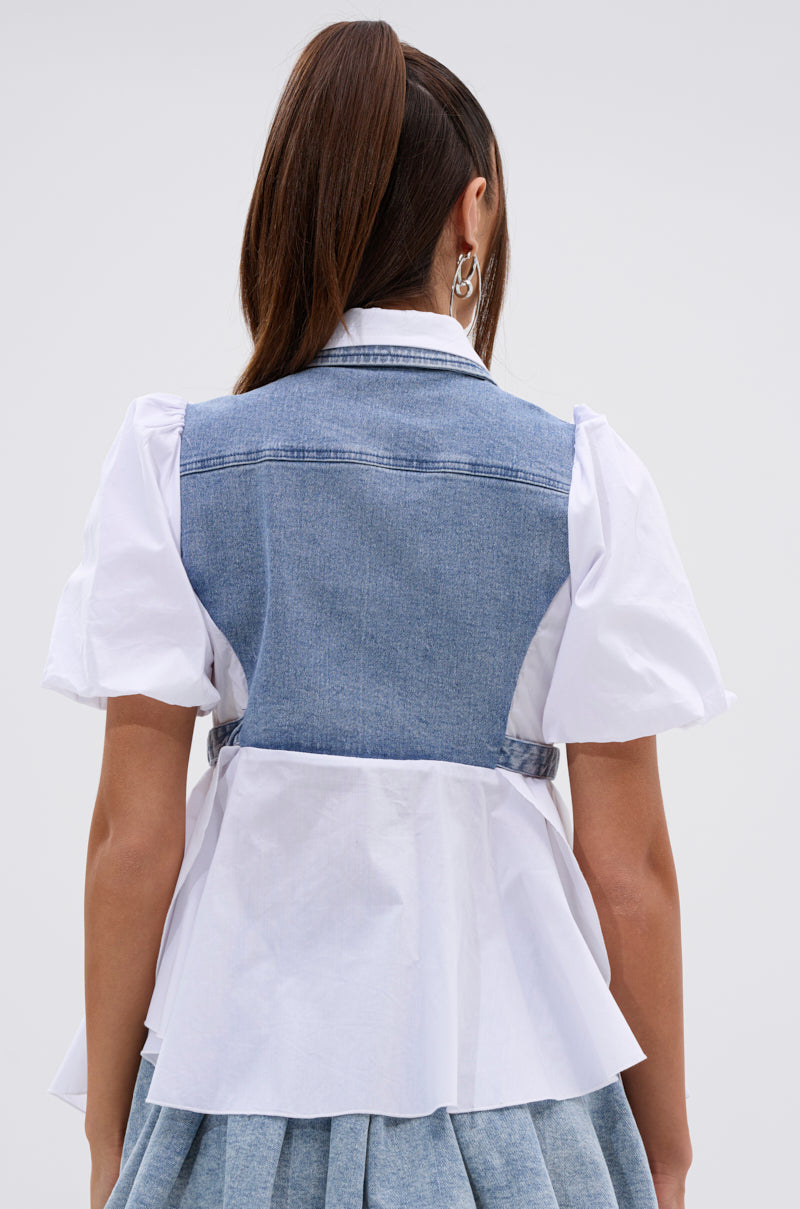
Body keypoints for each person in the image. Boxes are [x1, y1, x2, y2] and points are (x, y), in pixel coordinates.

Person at [40, 18, 736, 1209]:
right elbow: (630, 868)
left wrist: (108, 1137)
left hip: (230, 1089)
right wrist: (665, 1151)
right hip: (521, 1101)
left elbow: (130, 841)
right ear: (472, 213)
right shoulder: (578, 477)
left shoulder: (177, 464)